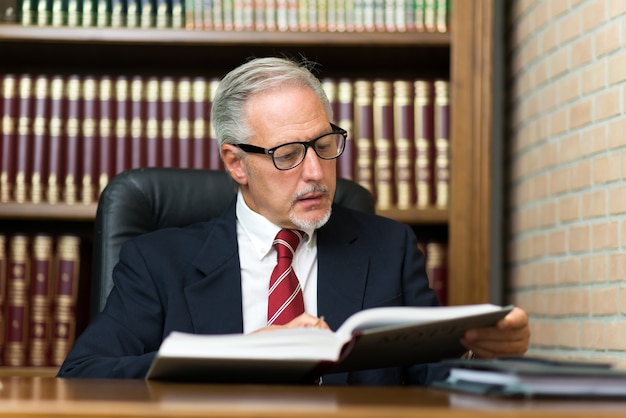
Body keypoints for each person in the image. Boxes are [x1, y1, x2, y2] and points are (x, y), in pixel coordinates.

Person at [57, 57, 530, 385]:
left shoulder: (389, 247)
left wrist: (481, 350)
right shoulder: (158, 261)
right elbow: (84, 373)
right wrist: (241, 355)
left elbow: (434, 373)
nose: (315, 172)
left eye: (324, 146)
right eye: (288, 154)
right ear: (236, 163)